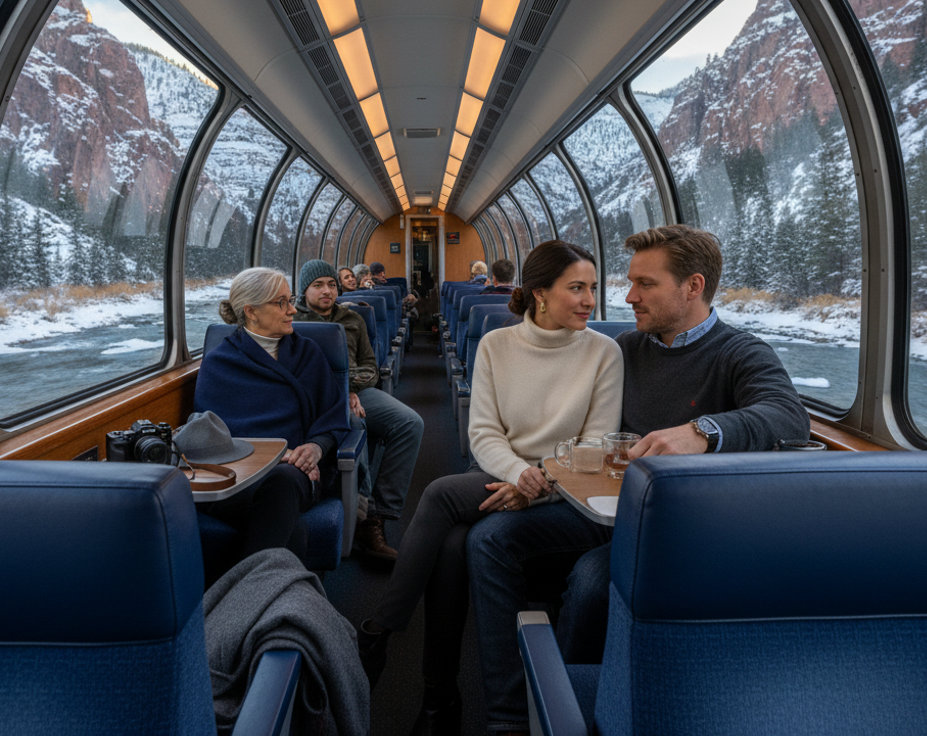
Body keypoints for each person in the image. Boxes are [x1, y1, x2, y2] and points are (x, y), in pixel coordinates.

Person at [465, 224, 810, 735]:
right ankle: (512, 713)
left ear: (692, 287)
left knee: (588, 582)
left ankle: (566, 709)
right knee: (486, 537)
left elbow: (788, 416)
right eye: (629, 283)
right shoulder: (629, 347)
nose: (628, 297)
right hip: (612, 510)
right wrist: (528, 469)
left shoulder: (738, 352)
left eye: (645, 284)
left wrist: (702, 432)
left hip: (691, 528)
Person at [357, 240, 622, 736]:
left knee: (439, 496)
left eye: (592, 288)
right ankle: (463, 705)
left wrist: (536, 483)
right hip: (505, 475)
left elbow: (594, 446)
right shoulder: (498, 345)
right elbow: (483, 433)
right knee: (455, 543)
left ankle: (385, 639)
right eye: (577, 288)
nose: (590, 300)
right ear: (540, 294)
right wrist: (518, 476)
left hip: (568, 491)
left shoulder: (604, 353)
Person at [193, 267, 349, 567]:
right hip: (237, 478)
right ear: (250, 311)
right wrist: (272, 455)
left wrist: (315, 449)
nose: (292, 309)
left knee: (283, 482)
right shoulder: (219, 362)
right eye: (281, 303)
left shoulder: (308, 352)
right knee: (293, 530)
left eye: (290, 300)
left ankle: (236, 603)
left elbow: (332, 415)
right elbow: (212, 436)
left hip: (298, 472)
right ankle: (271, 608)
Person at [294, 259, 424, 563]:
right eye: (318, 285)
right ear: (304, 290)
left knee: (410, 423)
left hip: (359, 391)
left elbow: (370, 367)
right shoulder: (293, 321)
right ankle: (362, 519)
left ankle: (379, 511)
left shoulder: (352, 318)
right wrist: (342, 391)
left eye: (330, 284)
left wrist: (351, 386)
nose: (327, 291)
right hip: (319, 398)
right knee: (355, 424)